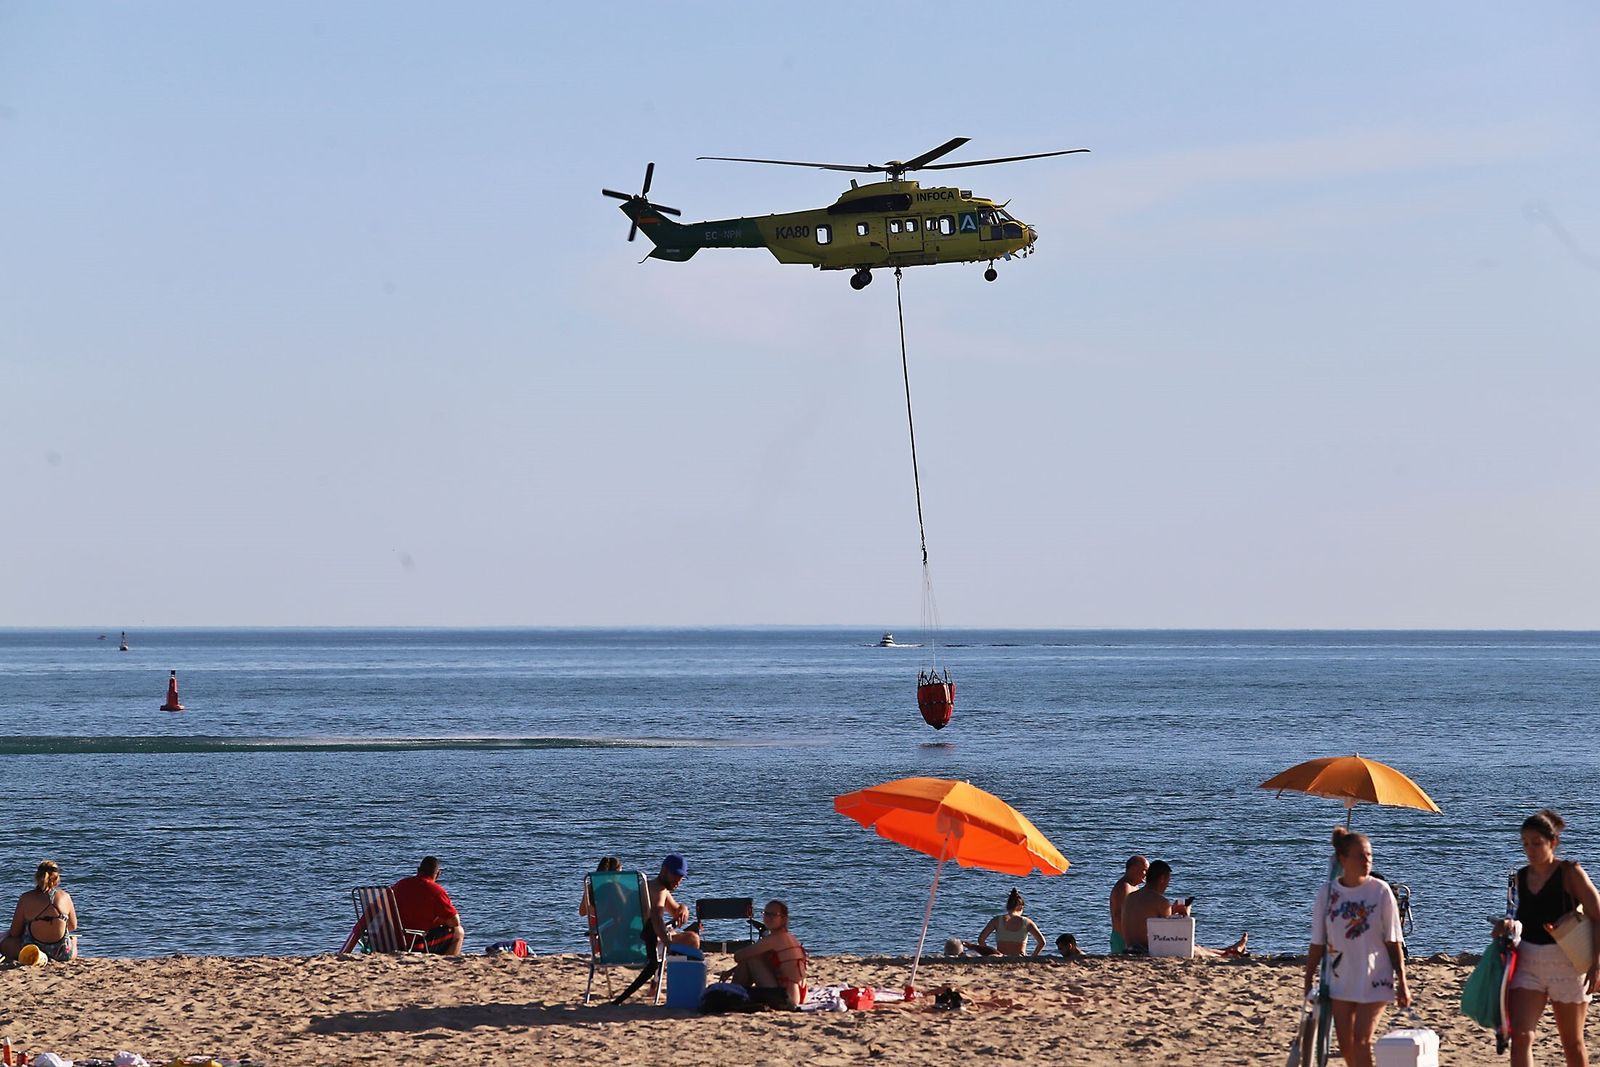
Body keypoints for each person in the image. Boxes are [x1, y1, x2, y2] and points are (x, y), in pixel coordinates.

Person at [1497, 810, 1600, 1067]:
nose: (1530, 849)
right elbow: (1521, 918)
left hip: (1568, 963)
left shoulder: (1570, 872)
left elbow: (1597, 916)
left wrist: (1597, 964)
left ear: (1552, 842)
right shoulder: (1520, 877)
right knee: (1520, 1037)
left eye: (1536, 843)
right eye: (1525, 844)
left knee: (1572, 1043)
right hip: (1528, 962)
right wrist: (1506, 925)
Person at [1304, 828, 1409, 1067]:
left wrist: (1402, 981)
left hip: (1375, 976)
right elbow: (1317, 942)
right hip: (1341, 979)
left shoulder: (1380, 892)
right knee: (1346, 1045)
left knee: (1362, 1040)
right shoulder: (1327, 894)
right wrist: (1308, 978)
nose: (1367, 860)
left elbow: (1394, 941)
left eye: (1369, 855)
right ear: (1343, 859)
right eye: (1360, 856)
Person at [613, 854, 701, 1004]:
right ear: (664, 870)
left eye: (681, 877)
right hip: (639, 948)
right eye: (676, 875)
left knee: (667, 935)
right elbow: (656, 918)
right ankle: (675, 990)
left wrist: (684, 907)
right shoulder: (659, 891)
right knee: (691, 939)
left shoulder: (652, 887)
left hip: (624, 944)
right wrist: (669, 944)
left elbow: (676, 913)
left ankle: (654, 986)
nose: (678, 881)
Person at [1122, 860, 1248, 958]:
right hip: (1148, 950)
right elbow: (1172, 937)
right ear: (1161, 879)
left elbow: (1150, 922)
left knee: (1196, 947)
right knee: (1195, 949)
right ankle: (1230, 954)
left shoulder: (1130, 897)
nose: (1167, 886)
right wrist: (1185, 916)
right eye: (1168, 881)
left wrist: (1172, 910)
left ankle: (1229, 950)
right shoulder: (1161, 901)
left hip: (1129, 948)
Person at [724, 900, 807, 1008]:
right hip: (800, 993)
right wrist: (731, 970)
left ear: (783, 918)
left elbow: (738, 956)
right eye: (766, 913)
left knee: (751, 959)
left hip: (786, 997)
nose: (768, 917)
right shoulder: (789, 937)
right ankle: (734, 994)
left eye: (773, 915)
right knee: (753, 957)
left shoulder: (774, 939)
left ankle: (733, 996)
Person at [2, 860, 79, 962]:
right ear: (56, 878)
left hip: (33, 953)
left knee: (5, 943)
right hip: (61, 954)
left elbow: (15, 932)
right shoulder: (65, 897)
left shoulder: (26, 898)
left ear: (37, 877)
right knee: (73, 939)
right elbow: (72, 926)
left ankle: (41, 956)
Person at [390, 855, 464, 954]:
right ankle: (446, 964)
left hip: (392, 941)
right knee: (458, 932)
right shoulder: (435, 890)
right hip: (414, 943)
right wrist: (438, 921)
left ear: (418, 870)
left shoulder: (400, 885)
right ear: (438, 874)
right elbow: (455, 922)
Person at [975, 888, 1047, 956]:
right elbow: (1042, 942)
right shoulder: (1027, 922)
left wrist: (989, 954)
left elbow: (981, 939)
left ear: (1007, 906)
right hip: (1020, 958)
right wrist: (1033, 957)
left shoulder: (996, 920)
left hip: (1002, 957)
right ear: (1021, 907)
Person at [579, 855, 623, 953]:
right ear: (615, 873)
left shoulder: (591, 887)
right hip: (615, 936)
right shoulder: (617, 888)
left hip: (596, 936)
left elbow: (582, 912)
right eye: (620, 872)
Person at [1109, 855, 1149, 954]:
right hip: (1123, 937)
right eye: (1145, 870)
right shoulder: (1124, 887)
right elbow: (1120, 915)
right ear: (1134, 869)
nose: (1146, 874)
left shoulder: (1134, 886)